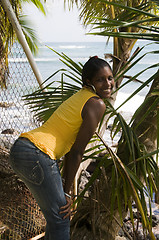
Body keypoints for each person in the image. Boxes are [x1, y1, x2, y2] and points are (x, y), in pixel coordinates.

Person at [9, 56, 114, 240]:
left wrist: (65, 188)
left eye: (110, 78)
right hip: (37, 153)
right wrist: (67, 192)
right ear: (89, 82)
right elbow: (76, 151)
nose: (108, 84)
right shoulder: (96, 104)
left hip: (21, 148)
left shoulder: (81, 96)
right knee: (61, 218)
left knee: (55, 217)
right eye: (100, 79)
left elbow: (71, 150)